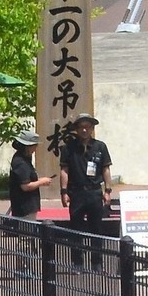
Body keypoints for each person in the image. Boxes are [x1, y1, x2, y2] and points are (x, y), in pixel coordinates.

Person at [58, 114, 115, 270]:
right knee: (75, 230)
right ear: (76, 129)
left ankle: (97, 262)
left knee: (96, 229)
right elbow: (64, 170)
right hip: (76, 193)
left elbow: (106, 169)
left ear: (92, 129)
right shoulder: (68, 148)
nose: (84, 130)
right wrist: (64, 191)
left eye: (87, 127)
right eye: (81, 127)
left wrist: (107, 190)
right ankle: (77, 263)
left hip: (95, 192)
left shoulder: (100, 147)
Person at [7, 128, 44, 219]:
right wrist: (42, 182)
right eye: (34, 145)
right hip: (24, 206)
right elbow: (25, 186)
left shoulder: (24, 158)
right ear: (28, 146)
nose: (35, 148)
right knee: (26, 231)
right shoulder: (20, 162)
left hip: (26, 204)